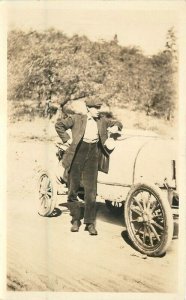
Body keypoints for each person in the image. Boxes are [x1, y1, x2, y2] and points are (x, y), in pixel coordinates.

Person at [55, 98, 123, 235]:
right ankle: (75, 220)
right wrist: (67, 140)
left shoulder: (102, 121)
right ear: (88, 109)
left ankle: (90, 223)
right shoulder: (76, 119)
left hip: (93, 155)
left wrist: (117, 127)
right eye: (96, 108)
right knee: (72, 189)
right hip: (77, 154)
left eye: (99, 108)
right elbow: (59, 125)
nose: (98, 111)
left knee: (91, 192)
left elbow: (118, 123)